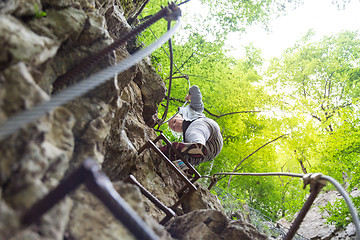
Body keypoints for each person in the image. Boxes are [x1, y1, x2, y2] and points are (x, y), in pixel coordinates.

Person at [161, 85, 223, 170]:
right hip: (211, 151)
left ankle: (198, 145)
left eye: (174, 121)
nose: (175, 125)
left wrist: (190, 95)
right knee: (186, 155)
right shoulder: (186, 140)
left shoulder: (194, 110)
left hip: (209, 130)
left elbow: (195, 89)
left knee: (193, 132)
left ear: (180, 116)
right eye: (173, 128)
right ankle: (186, 169)